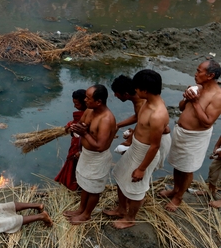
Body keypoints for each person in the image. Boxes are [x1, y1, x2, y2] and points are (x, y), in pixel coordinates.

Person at [104, 70, 168, 229]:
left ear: (145, 90)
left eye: (137, 88)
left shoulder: (158, 114)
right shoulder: (146, 101)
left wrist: (141, 169)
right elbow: (140, 121)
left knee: (136, 188)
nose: (135, 91)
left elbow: (154, 146)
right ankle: (121, 209)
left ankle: (130, 218)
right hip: (136, 147)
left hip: (145, 152)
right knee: (119, 174)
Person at [162, 60, 221, 212]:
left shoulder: (217, 96)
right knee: (177, 164)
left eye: (198, 71)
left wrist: (195, 102)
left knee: (187, 168)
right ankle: (175, 189)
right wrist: (187, 98)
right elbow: (182, 108)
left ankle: (179, 197)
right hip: (181, 132)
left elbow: (207, 122)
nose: (195, 74)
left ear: (210, 75)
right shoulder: (198, 88)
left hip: (195, 137)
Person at [63, 85, 117, 224]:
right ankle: (81, 209)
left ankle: (86, 214)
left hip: (97, 158)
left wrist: (84, 133)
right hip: (86, 154)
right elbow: (82, 124)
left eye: (88, 97)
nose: (85, 100)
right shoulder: (89, 110)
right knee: (84, 183)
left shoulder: (106, 119)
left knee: (93, 189)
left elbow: (100, 146)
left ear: (98, 101)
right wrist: (74, 128)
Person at [54, 89, 87, 191]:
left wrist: (80, 151)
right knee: (75, 166)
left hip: (81, 148)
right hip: (76, 145)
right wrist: (70, 124)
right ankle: (75, 186)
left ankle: (78, 187)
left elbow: (84, 135)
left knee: (79, 167)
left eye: (76, 104)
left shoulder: (89, 117)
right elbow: (75, 123)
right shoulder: (81, 115)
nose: (74, 106)